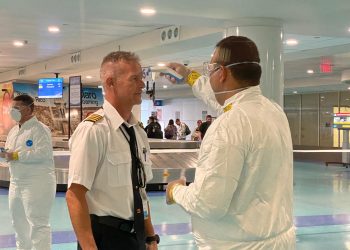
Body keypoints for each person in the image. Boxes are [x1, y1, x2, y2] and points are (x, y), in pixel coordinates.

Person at [165, 36, 295, 249]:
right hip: (278, 239)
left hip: (236, 244)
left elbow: (208, 204)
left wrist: (176, 191)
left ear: (222, 73)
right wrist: (189, 75)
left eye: (211, 68)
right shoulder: (273, 111)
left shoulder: (228, 125)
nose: (210, 75)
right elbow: (221, 100)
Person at [66, 51, 159, 250]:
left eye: (141, 78)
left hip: (136, 237)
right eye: (134, 79)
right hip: (106, 238)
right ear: (110, 83)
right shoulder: (94, 131)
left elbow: (140, 192)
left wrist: (151, 236)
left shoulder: (137, 133)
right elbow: (75, 195)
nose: (142, 84)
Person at [0, 94, 56, 250]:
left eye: (17, 108)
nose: (13, 111)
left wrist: (16, 155)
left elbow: (43, 153)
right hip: (16, 182)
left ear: (29, 109)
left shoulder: (40, 130)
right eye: (12, 108)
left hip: (37, 183)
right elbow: (10, 152)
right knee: (18, 223)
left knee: (38, 224)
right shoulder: (13, 131)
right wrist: (5, 155)